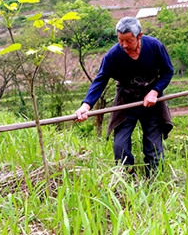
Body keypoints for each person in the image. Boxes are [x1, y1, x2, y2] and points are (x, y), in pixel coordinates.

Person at [74, 17, 174, 177]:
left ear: (139, 36)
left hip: (152, 102)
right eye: (120, 40)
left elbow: (168, 71)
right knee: (120, 146)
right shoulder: (113, 56)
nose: (124, 45)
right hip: (126, 102)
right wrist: (86, 106)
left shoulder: (154, 46)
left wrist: (155, 91)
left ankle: (155, 184)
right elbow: (100, 80)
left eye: (129, 41)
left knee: (153, 147)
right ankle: (127, 181)